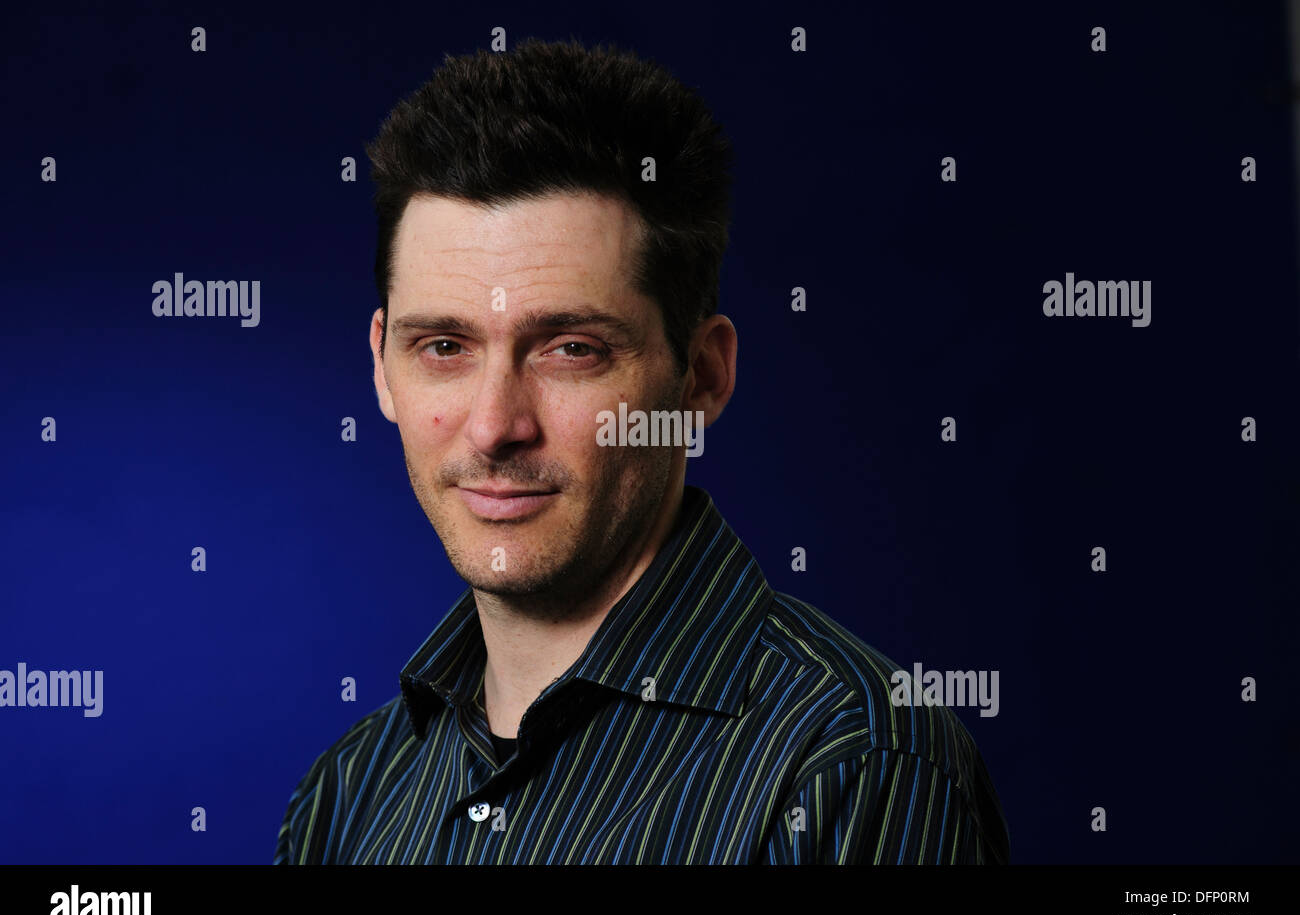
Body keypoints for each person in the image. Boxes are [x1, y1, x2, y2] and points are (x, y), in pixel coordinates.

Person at [274, 37, 1009, 864]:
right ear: (382, 367)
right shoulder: (347, 795)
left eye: (571, 349)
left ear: (701, 376)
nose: (494, 425)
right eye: (444, 346)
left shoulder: (855, 765)